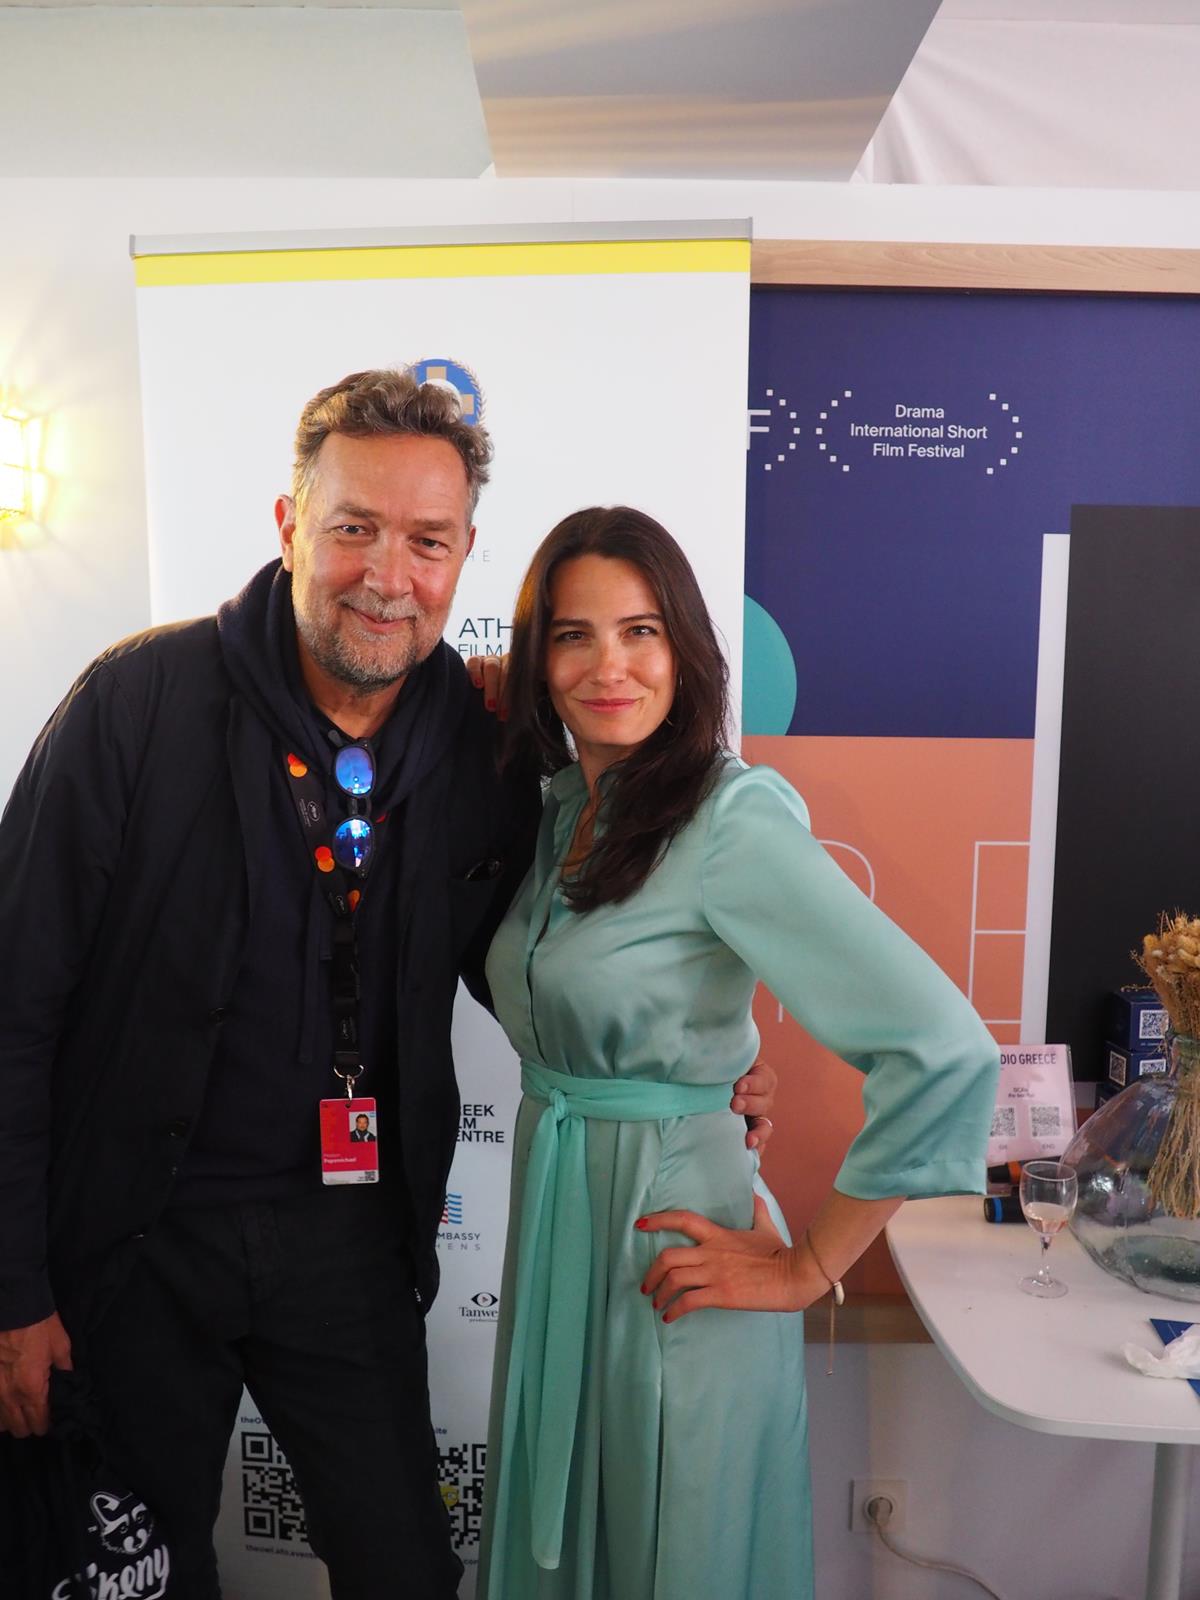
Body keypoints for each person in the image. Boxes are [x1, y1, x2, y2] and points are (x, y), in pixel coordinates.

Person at [0, 370, 776, 1600]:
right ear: (289, 525)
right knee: (143, 1579)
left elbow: (535, 961)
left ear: (463, 557)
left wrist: (696, 1069)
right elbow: (15, 1004)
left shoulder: (483, 748)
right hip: (136, 1247)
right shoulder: (137, 703)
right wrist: (13, 1289)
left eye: (427, 541)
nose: (388, 575)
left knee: (406, 1569)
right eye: (354, 527)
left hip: (350, 1242)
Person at [476, 506, 1001, 1600]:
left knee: (675, 1547)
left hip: (671, 1251)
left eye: (641, 631)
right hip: (564, 1231)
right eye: (572, 635)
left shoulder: (728, 817)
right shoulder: (561, 808)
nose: (608, 665)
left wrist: (811, 1265)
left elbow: (944, 1050)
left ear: (685, 649)